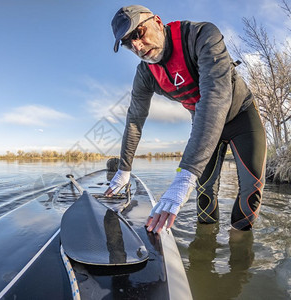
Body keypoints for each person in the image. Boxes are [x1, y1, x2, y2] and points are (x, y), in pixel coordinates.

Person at [104, 5, 267, 233]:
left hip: (241, 116)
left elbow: (215, 98)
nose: (137, 47)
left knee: (251, 189)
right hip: (203, 126)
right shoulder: (145, 74)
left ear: (158, 22)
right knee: (205, 191)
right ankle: (205, 249)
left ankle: (239, 252)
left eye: (138, 33)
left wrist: (184, 176)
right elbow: (134, 120)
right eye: (128, 43)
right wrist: (124, 169)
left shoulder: (201, 35)